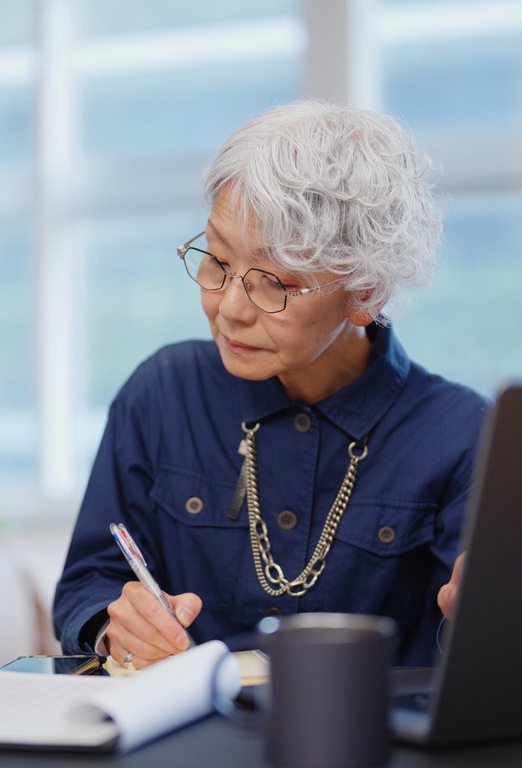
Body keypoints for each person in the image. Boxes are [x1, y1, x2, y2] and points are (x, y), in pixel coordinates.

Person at [52, 100, 487, 669]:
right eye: (218, 262)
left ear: (365, 294)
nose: (230, 308)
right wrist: (117, 624)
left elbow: (477, 662)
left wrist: (485, 621)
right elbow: (88, 582)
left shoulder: (462, 437)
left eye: (274, 283)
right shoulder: (162, 395)